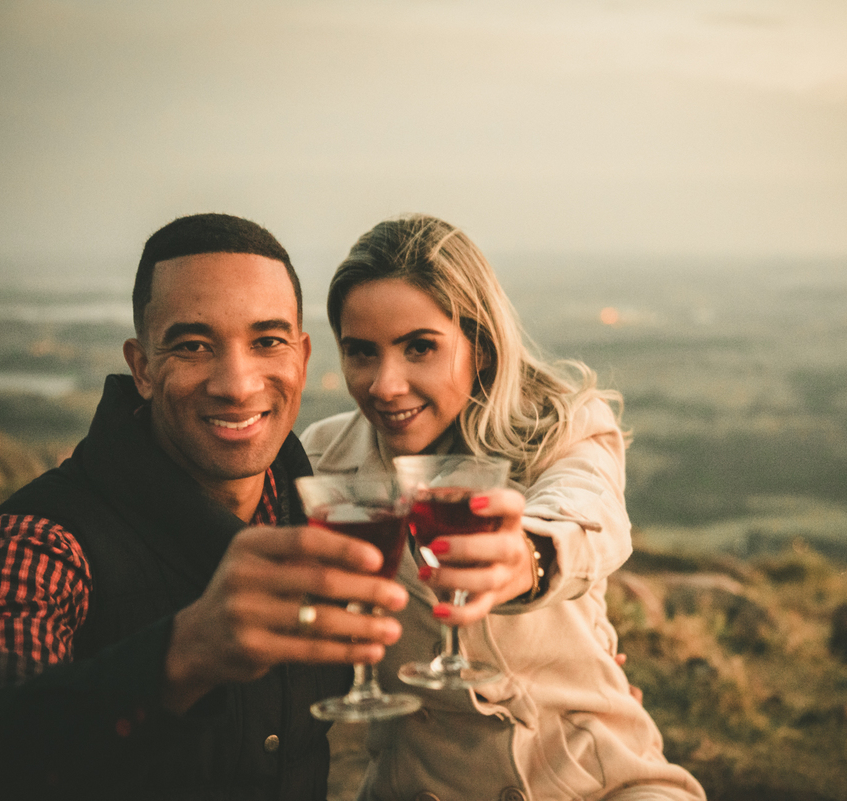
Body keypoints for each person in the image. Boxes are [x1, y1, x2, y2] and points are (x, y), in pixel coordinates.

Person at [0, 213, 409, 800]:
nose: (237, 383)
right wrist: (183, 652)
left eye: (268, 341)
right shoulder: (40, 542)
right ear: (143, 367)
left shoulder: (312, 500)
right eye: (193, 345)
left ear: (302, 357)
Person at [301, 214, 705, 801]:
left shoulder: (562, 432)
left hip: (599, 785)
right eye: (362, 352)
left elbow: (588, 517)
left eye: (420, 348)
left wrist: (527, 558)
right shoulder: (320, 463)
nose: (386, 384)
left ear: (481, 348)